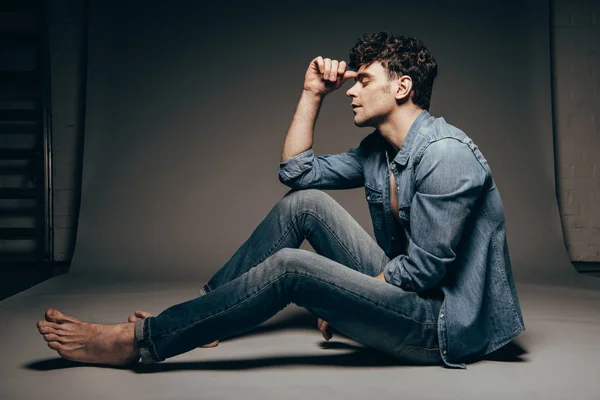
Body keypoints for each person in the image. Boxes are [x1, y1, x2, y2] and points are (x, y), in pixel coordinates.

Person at [37, 32, 524, 369]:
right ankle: (205, 317)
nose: (352, 91)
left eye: (364, 81)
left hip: (441, 325)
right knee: (304, 205)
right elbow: (296, 173)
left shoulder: (446, 155)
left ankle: (140, 344)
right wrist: (312, 93)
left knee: (294, 268)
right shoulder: (380, 153)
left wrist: (343, 300)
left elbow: (425, 272)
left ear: (402, 87)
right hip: (409, 294)